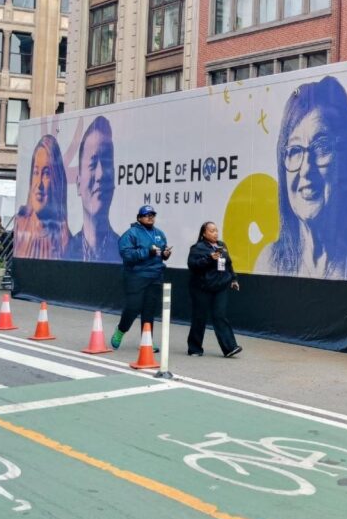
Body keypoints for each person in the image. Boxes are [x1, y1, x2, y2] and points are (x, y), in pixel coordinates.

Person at [254, 76, 347, 281]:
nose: (306, 169)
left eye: (322, 147)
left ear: (345, 159)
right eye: (295, 150)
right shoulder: (269, 261)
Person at [111, 205, 172, 350]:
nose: (150, 217)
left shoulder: (160, 233)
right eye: (146, 215)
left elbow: (161, 253)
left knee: (149, 310)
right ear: (139, 218)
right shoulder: (131, 234)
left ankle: (147, 341)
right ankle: (121, 330)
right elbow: (126, 255)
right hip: (136, 276)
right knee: (133, 307)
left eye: (152, 214)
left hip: (155, 276)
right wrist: (147, 252)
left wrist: (165, 255)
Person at [67, 116, 120, 263]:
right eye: (92, 164)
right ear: (78, 184)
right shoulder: (65, 252)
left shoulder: (124, 251)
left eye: (106, 163)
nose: (100, 174)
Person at [186, 222, 242, 358]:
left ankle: (230, 348)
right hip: (202, 288)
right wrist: (209, 258)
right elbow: (192, 265)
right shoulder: (197, 248)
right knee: (200, 317)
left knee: (220, 316)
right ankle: (195, 348)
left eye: (216, 230)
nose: (215, 233)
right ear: (204, 234)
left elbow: (228, 264)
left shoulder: (222, 245)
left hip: (220, 286)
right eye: (211, 231)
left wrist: (233, 279)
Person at [15, 135, 69, 259]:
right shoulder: (19, 225)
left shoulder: (64, 239)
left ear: (56, 180)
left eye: (46, 173)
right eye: (35, 172)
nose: (39, 184)